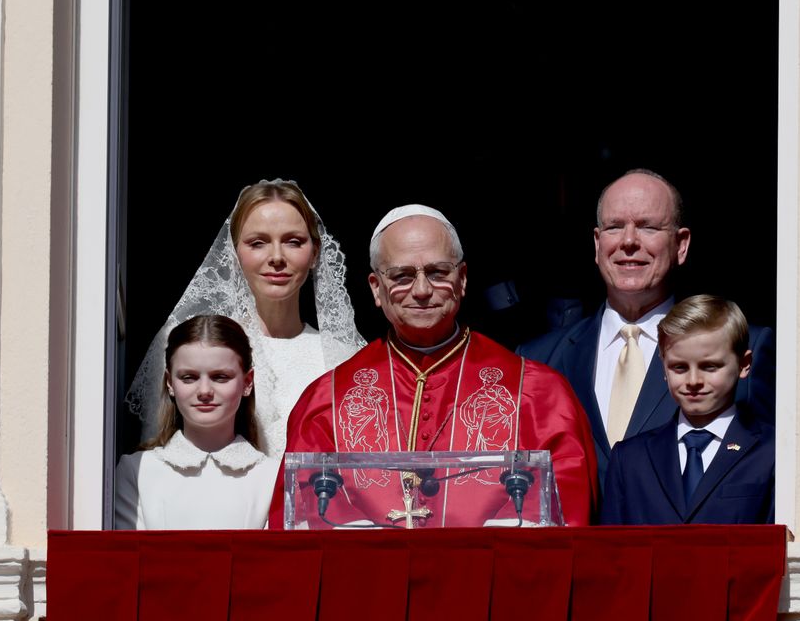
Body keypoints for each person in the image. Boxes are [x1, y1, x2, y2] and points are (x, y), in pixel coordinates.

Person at [270, 205, 598, 528]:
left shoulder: (538, 395)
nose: (422, 290)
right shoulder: (328, 402)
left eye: (438, 273)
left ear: (462, 279)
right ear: (376, 288)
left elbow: (568, 523)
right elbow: (299, 528)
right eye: (402, 276)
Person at [518, 169, 775, 494]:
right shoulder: (538, 360)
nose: (628, 241)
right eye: (614, 227)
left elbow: (767, 475)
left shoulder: (744, 349)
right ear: (597, 244)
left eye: (648, 227)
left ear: (681, 245)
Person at [126, 180, 366, 456]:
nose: (277, 257)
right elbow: (158, 456)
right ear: (234, 252)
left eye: (293, 242)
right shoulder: (186, 346)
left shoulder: (344, 357)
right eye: (258, 243)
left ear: (314, 253)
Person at [599, 295, 774, 525]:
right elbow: (612, 546)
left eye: (709, 366)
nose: (693, 381)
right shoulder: (629, 459)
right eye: (679, 367)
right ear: (663, 367)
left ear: (744, 364)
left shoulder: (772, 452)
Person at [115, 314, 278, 529]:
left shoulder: (272, 477)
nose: (204, 391)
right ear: (169, 383)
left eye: (220, 377)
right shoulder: (137, 471)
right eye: (189, 377)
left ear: (247, 383)